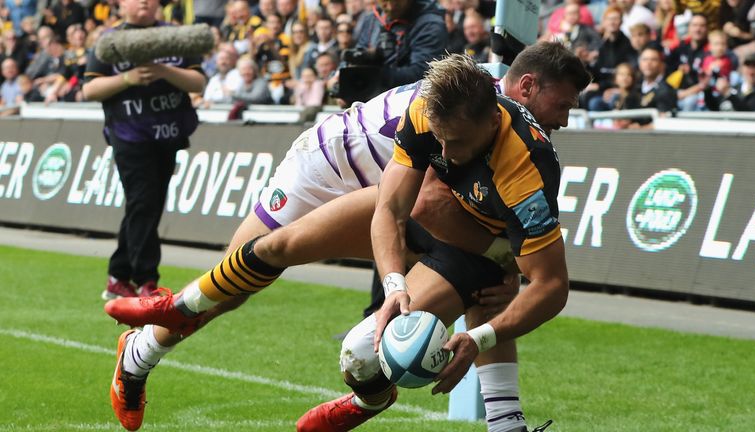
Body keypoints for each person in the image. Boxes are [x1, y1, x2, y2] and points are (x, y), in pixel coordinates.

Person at [102, 43, 590, 432]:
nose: (564, 117)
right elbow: (415, 204)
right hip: (327, 168)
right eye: (562, 103)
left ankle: (488, 418)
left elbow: (496, 239)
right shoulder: (451, 104)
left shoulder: (517, 145)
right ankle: (144, 347)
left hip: (408, 198)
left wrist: (505, 266)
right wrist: (421, 277)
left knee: (464, 298)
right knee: (241, 279)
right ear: (523, 87)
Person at [297, 46, 589, 432]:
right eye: (563, 104)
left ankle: (506, 424)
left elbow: (551, 285)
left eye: (456, 143)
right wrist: (393, 284)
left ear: (489, 124)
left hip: (468, 251)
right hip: (433, 230)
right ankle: (371, 399)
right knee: (278, 246)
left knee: (363, 353)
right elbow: (397, 208)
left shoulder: (527, 162)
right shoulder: (431, 109)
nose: (445, 153)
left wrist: (482, 327)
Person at [82, 0, 207, 300]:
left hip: (167, 132)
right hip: (128, 133)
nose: (145, 2)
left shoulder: (175, 36)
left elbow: (198, 82)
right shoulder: (110, 41)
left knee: (146, 204)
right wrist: (128, 79)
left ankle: (118, 275)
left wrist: (164, 71)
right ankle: (146, 279)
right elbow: (89, 89)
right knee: (144, 201)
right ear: (121, 4)